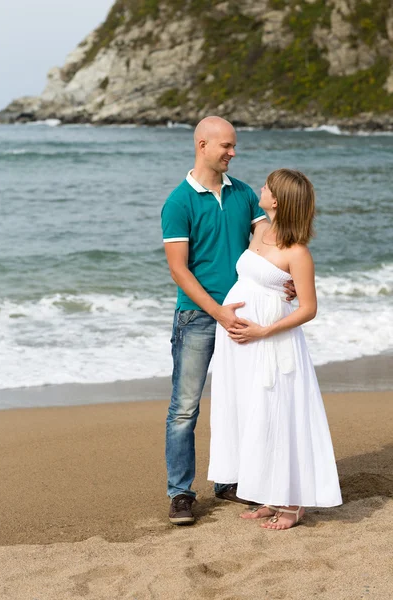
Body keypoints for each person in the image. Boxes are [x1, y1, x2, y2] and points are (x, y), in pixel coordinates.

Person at [161, 117, 296, 525]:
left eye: (234, 146)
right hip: (199, 318)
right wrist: (217, 311)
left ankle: (232, 480)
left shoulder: (243, 196)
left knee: (243, 399)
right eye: (226, 146)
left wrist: (287, 279)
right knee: (185, 409)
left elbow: (271, 243)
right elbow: (180, 271)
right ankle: (180, 493)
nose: (233, 153)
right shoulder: (178, 202)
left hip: (246, 316)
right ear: (203, 145)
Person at [208, 168, 342, 530]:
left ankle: (293, 503)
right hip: (241, 342)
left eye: (267, 186)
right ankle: (269, 495)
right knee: (253, 412)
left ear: (278, 201)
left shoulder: (298, 253)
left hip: (272, 342)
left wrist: (264, 330)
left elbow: (309, 308)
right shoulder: (260, 229)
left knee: (278, 413)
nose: (261, 188)